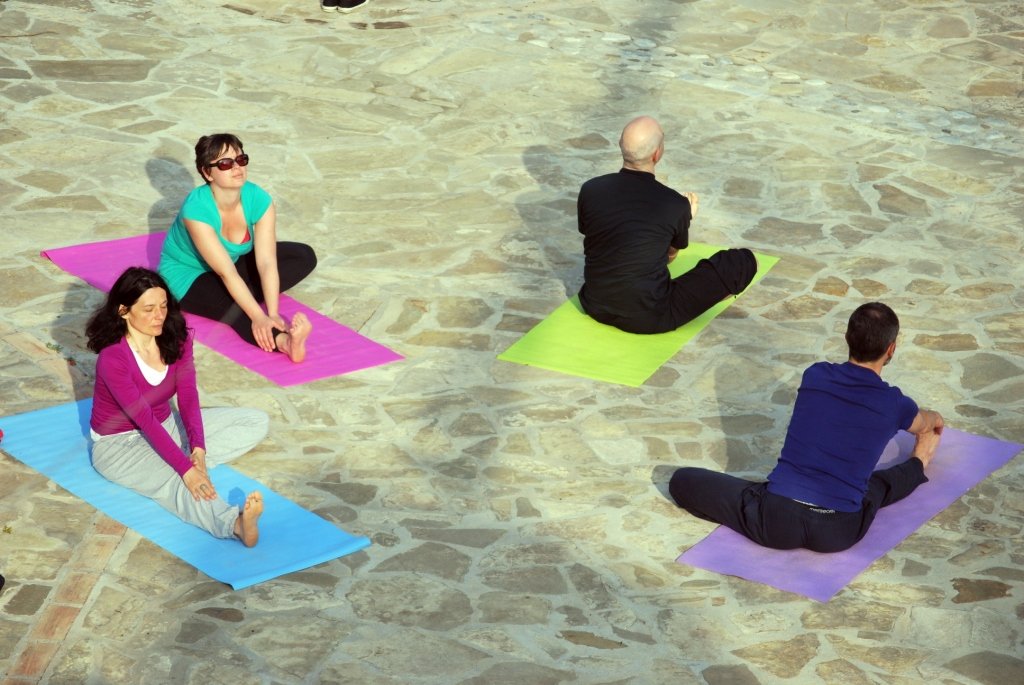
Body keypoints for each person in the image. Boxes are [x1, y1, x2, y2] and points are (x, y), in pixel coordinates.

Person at [669, 302, 945, 553]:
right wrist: (934, 420)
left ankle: (761, 499)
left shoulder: (815, 375)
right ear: (891, 349)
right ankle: (919, 462)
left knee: (682, 480)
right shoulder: (894, 404)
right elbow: (922, 424)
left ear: (847, 338)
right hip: (838, 531)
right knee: (874, 488)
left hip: (776, 519)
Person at [87, 267, 271, 546]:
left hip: (167, 425)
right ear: (124, 311)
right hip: (119, 447)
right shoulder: (113, 358)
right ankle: (234, 524)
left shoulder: (176, 338)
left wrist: (198, 449)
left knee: (255, 421)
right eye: (148, 309)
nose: (159, 315)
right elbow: (144, 419)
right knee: (180, 480)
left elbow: (188, 396)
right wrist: (186, 470)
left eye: (163, 306)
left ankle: (185, 460)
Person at [577, 116, 758, 334]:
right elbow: (670, 256)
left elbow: (595, 235)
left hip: (594, 304)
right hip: (650, 318)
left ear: (620, 146)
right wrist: (685, 217)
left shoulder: (590, 189)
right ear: (657, 154)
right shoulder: (674, 204)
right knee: (742, 262)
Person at [158, 133, 316, 362]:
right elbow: (227, 273)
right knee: (236, 309)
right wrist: (258, 316)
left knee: (303, 256)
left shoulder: (258, 198)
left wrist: (272, 313)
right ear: (207, 172)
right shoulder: (197, 210)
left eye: (241, 159)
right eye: (225, 163)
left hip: (229, 265)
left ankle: (244, 297)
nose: (236, 167)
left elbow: (266, 261)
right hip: (188, 276)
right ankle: (285, 343)